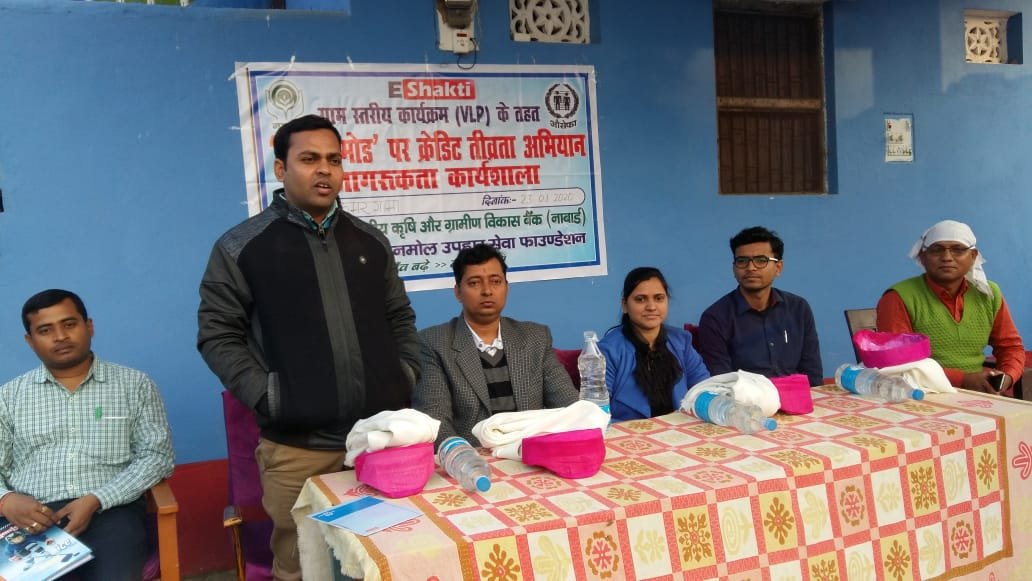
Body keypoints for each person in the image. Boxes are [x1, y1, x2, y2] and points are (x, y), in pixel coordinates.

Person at [197, 114, 421, 580]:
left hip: (376, 442)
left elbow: (400, 317)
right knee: (304, 566)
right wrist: (270, 396)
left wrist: (404, 375)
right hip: (298, 450)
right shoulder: (242, 247)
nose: (324, 170)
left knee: (385, 561)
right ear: (281, 169)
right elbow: (217, 334)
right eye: (309, 159)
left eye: (334, 160)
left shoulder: (370, 241)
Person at [0, 289, 174, 580]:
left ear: (89, 326)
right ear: (30, 341)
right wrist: (6, 500)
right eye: (45, 330)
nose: (60, 336)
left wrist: (96, 499)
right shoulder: (8, 397)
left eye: (69, 324)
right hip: (33, 518)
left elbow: (157, 456)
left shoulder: (135, 386)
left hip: (112, 512)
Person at [413, 243, 578, 448]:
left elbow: (570, 407)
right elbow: (435, 422)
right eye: (474, 283)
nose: (487, 291)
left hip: (531, 452)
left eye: (495, 281)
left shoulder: (535, 337)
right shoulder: (434, 343)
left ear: (506, 287)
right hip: (471, 456)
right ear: (458, 292)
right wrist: (464, 457)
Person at [876, 219, 1025, 394]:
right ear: (923, 257)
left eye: (958, 249)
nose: (947, 257)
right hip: (918, 394)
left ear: (973, 256)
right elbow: (899, 362)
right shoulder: (898, 297)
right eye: (936, 250)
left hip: (978, 392)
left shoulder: (988, 294)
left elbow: (1010, 347)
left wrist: (1006, 377)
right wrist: (963, 379)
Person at [697, 226, 823, 386]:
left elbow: (812, 372)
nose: (751, 267)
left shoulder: (798, 308)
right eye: (742, 261)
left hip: (797, 396)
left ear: (778, 267)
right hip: (746, 399)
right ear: (734, 269)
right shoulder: (715, 318)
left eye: (761, 260)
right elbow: (722, 383)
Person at [599, 267, 710, 421]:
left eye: (659, 298)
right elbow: (597, 413)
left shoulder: (681, 341)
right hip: (628, 432)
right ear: (625, 305)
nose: (651, 307)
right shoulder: (608, 351)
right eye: (640, 299)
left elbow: (705, 389)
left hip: (680, 429)